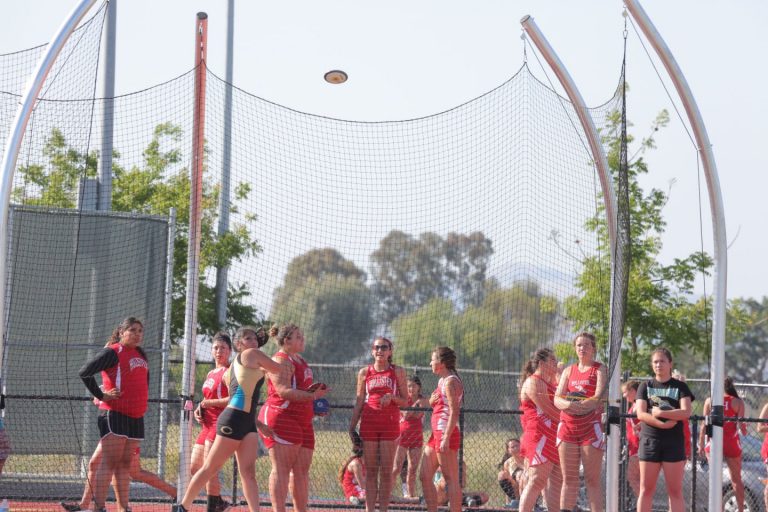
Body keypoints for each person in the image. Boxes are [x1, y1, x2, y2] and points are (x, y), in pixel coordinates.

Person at [175, 326, 283, 512]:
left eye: (255, 339)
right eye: (249, 339)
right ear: (239, 344)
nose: (254, 342)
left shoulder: (239, 366)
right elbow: (279, 368)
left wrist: (258, 423)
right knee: (210, 467)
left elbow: (241, 395)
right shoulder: (250, 354)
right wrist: (282, 346)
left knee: (248, 473)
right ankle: (181, 507)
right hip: (233, 420)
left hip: (247, 422)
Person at [79, 317, 149, 512]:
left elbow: (143, 381)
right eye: (132, 330)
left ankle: (123, 507)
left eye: (140, 331)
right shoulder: (113, 351)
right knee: (109, 462)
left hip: (136, 416)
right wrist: (101, 395)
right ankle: (98, 507)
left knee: (125, 464)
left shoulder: (140, 354)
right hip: (114, 413)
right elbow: (85, 371)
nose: (137, 334)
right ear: (121, 332)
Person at [258, 323, 330, 512]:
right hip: (282, 417)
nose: (302, 339)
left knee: (301, 472)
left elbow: (301, 390)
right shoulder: (281, 360)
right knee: (281, 469)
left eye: (302, 335)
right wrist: (312, 396)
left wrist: (314, 403)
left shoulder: (299, 359)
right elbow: (283, 391)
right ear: (286, 340)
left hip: (303, 420)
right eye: (298, 336)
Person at [349, 337, 408, 512]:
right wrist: (352, 426)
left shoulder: (397, 371)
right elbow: (360, 400)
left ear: (390, 351)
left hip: (389, 425)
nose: (380, 350)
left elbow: (405, 401)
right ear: (372, 351)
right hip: (369, 424)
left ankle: (383, 509)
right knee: (371, 471)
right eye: (376, 347)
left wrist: (392, 398)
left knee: (386, 471)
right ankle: (369, 509)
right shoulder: (364, 372)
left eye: (384, 347)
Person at [635, 347, 694, 512]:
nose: (658, 364)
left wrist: (661, 412)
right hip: (650, 441)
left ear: (670, 364)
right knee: (646, 490)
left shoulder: (680, 387)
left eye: (662, 361)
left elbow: (686, 412)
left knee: (675, 491)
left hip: (673, 443)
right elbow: (640, 413)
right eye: (655, 361)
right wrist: (662, 423)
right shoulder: (645, 386)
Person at [554, 332, 606, 512]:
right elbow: (556, 399)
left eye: (586, 345)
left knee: (592, 480)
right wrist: (569, 404)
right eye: (579, 345)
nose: (582, 348)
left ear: (593, 348)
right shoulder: (569, 370)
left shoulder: (599, 369)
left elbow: (599, 396)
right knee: (569, 479)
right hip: (568, 428)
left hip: (590, 429)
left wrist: (582, 406)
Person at [61, 444, 176, 512]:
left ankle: (175, 493)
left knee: (134, 472)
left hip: (123, 431)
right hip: (111, 428)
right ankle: (84, 505)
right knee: (94, 464)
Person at [191, 332, 233, 512]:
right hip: (206, 425)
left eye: (223, 348)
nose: (219, 351)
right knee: (194, 468)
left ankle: (212, 507)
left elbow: (233, 398)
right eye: (216, 347)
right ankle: (219, 501)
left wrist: (206, 403)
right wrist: (198, 409)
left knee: (209, 468)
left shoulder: (229, 372)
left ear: (230, 351)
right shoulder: (211, 372)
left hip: (220, 423)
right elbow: (206, 398)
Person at [420, 346, 464, 512]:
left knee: (450, 479)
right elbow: (433, 402)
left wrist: (446, 437)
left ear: (442, 363)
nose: (430, 362)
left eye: (433, 359)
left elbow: (454, 411)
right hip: (436, 433)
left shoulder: (451, 381)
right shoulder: (442, 381)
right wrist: (431, 400)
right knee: (424, 476)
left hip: (446, 432)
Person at [518, 348, 562, 512]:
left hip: (554, 436)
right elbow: (548, 410)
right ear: (542, 363)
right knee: (536, 480)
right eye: (553, 360)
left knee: (555, 484)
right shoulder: (533, 381)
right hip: (539, 436)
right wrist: (572, 420)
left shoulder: (550, 383)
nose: (556, 363)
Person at [698, 376, 747, 512]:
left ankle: (717, 508)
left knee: (715, 480)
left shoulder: (710, 401)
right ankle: (741, 510)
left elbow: (704, 425)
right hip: (731, 441)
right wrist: (744, 428)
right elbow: (742, 428)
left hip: (714, 442)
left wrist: (701, 444)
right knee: (736, 480)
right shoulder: (737, 402)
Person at [392, 374, 429, 499]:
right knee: (396, 468)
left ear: (419, 387)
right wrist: (414, 406)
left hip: (416, 437)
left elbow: (418, 415)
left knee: (412, 470)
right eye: (408, 386)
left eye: (413, 386)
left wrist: (414, 408)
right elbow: (406, 414)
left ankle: (410, 496)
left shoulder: (423, 400)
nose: (410, 389)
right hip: (403, 436)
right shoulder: (404, 399)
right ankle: (386, 493)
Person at [622, 380, 641, 500]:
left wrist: (639, 426)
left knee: (632, 477)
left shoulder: (639, 404)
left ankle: (644, 504)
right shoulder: (635, 404)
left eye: (625, 392)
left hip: (639, 448)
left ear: (633, 391)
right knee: (637, 479)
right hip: (633, 447)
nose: (624, 395)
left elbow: (647, 418)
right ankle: (643, 504)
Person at [497, 438, 525, 507]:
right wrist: (507, 502)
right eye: (513, 447)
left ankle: (525, 501)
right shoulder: (508, 463)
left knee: (520, 474)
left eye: (517, 446)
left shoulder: (527, 458)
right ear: (508, 450)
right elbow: (508, 480)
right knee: (502, 474)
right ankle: (514, 500)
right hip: (515, 488)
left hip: (527, 486)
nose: (516, 448)